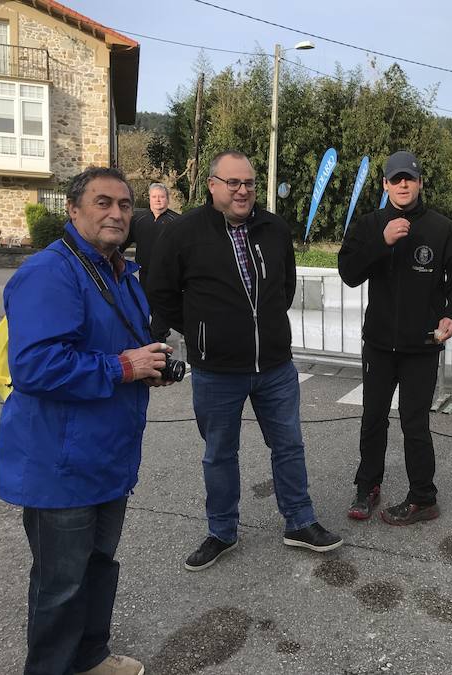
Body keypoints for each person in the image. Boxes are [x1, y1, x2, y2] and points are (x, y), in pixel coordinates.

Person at [0, 167, 172, 675]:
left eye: (124, 204)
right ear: (73, 210)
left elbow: (124, 350)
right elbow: (34, 366)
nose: (116, 213)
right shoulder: (50, 272)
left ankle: (91, 657)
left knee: (98, 566)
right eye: (103, 202)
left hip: (107, 456)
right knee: (60, 583)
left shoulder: (121, 272)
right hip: (61, 462)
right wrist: (125, 366)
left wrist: (147, 370)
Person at [147, 149, 342, 571]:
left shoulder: (274, 228)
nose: (243, 190)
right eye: (233, 182)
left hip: (274, 366)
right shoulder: (183, 233)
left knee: (288, 446)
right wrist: (202, 328)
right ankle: (221, 530)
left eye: (249, 183)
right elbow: (160, 291)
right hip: (216, 370)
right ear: (212, 185)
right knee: (219, 452)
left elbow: (284, 286)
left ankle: (299, 521)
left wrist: (265, 324)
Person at [337, 151, 452, 526]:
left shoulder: (442, 229)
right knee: (373, 418)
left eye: (409, 179)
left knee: (415, 424)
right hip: (379, 343)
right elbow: (348, 272)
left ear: (419, 183)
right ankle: (367, 487)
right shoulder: (369, 225)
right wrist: (381, 242)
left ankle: (423, 498)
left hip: (422, 345)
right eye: (395, 179)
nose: (402, 185)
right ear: (384, 184)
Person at [122, 182, 179, 341]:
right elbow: (124, 241)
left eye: (161, 197)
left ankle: (158, 339)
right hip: (145, 272)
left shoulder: (177, 221)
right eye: (154, 197)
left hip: (167, 276)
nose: (158, 200)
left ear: (167, 199)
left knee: (162, 309)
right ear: (150, 199)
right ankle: (160, 331)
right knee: (147, 306)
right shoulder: (139, 219)